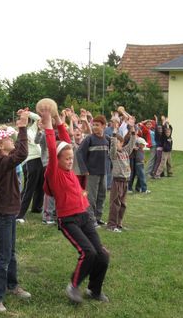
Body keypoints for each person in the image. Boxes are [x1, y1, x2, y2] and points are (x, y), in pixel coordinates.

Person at [40, 106, 109, 304]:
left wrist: (59, 121)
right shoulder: (54, 172)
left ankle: (94, 290)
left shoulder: (69, 169)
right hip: (68, 219)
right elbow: (54, 149)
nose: (71, 162)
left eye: (72, 158)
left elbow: (66, 141)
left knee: (102, 255)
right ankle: (74, 285)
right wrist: (47, 124)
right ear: (58, 160)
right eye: (67, 159)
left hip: (84, 215)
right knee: (88, 252)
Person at [0, 110, 32, 313]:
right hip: (4, 214)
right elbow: (23, 153)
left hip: (8, 212)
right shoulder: (2, 162)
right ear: (1, 146)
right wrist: (22, 127)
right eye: (8, 139)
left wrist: (19, 126)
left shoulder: (0, 160)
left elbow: (18, 149)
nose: (12, 140)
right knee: (4, 255)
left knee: (11, 253)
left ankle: (12, 285)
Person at [77, 115, 109, 227]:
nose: (95, 127)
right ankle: (90, 220)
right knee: (91, 197)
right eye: (93, 125)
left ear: (104, 126)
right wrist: (84, 169)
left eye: (97, 125)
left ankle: (98, 217)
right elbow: (79, 153)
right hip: (92, 173)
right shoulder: (89, 139)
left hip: (103, 173)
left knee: (102, 195)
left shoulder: (106, 139)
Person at [107, 123, 137, 232]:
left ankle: (119, 223)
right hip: (117, 181)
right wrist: (114, 133)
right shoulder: (113, 154)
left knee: (123, 204)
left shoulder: (125, 151)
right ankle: (111, 225)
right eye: (116, 143)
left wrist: (133, 129)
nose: (118, 144)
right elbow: (113, 146)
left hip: (125, 181)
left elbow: (132, 142)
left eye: (120, 142)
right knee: (115, 203)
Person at [17, 111, 44, 223]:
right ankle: (19, 214)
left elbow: (38, 118)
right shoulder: (25, 132)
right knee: (29, 188)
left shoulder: (38, 130)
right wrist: (24, 116)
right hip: (31, 161)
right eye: (40, 123)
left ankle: (36, 208)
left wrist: (28, 113)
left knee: (40, 186)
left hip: (41, 160)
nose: (41, 123)